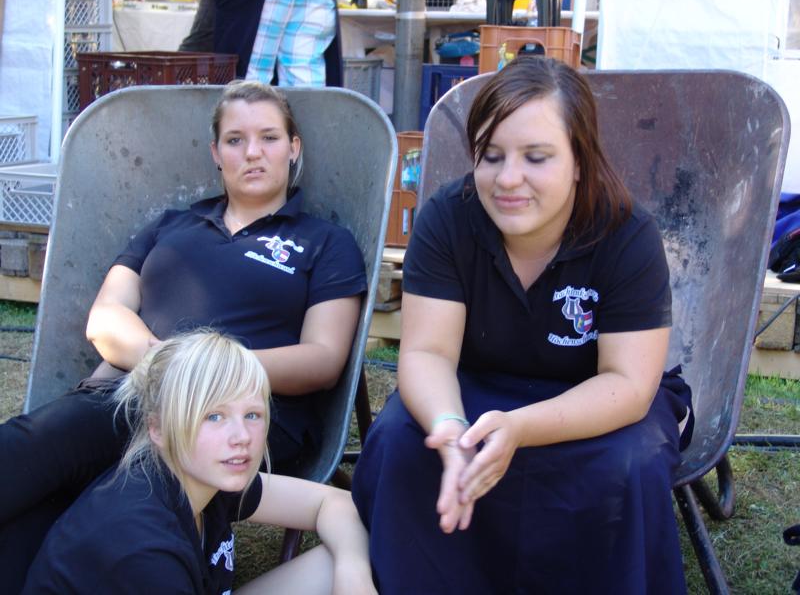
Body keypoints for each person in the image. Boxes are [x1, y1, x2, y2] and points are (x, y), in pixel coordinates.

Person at [0, 80, 366, 592]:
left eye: (269, 137)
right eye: (235, 140)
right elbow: (105, 318)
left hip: (234, 411)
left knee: (60, 451)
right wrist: (171, 367)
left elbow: (322, 359)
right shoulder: (172, 226)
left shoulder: (323, 242)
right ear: (216, 153)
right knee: (44, 461)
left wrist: (207, 378)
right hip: (131, 392)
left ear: (293, 146)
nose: (253, 152)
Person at [351, 55, 694, 594]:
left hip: (594, 399)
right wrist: (449, 426)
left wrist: (520, 428)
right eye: (491, 156)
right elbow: (427, 353)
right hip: (476, 387)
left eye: (536, 157)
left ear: (579, 160)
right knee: (401, 437)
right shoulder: (447, 218)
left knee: (632, 461)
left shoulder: (626, 235)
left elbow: (628, 385)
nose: (508, 179)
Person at [23, 330, 377, 594]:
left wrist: (353, 574)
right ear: (158, 429)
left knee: (343, 558)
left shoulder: (204, 474)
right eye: (214, 416)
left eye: (252, 414)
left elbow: (333, 503)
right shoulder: (144, 550)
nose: (241, 436)